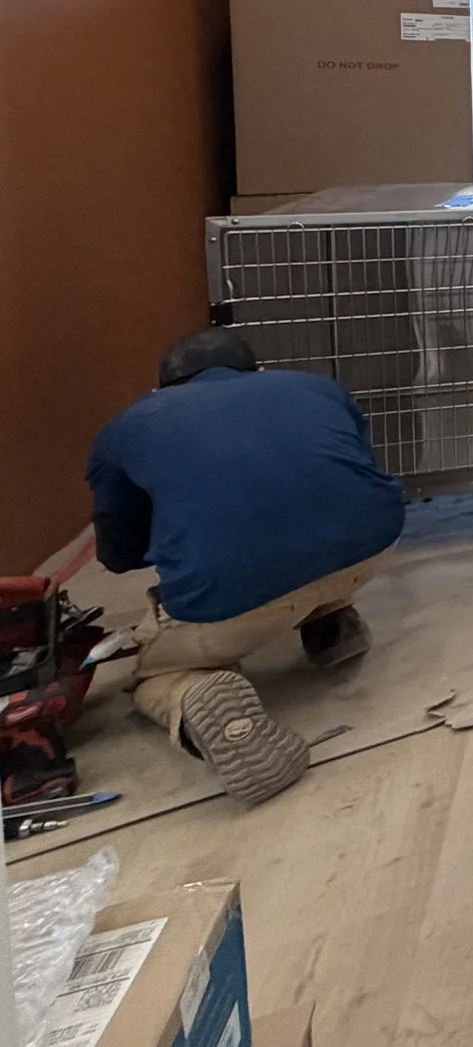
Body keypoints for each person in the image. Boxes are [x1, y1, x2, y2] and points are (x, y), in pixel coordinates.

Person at [86, 329, 403, 804]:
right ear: (258, 371)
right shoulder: (318, 387)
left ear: (160, 391)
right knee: (312, 519)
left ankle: (192, 696)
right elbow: (347, 472)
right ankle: (333, 626)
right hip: (374, 543)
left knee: (154, 673)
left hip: (230, 600)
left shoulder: (125, 428)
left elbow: (118, 553)